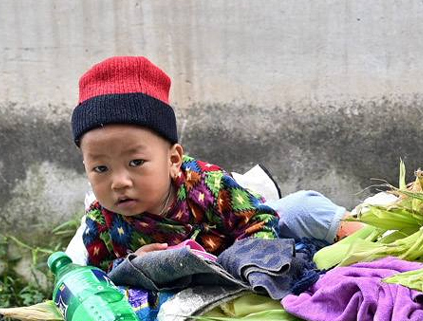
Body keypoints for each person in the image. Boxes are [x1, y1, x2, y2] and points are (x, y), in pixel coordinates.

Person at [71, 56, 348, 271]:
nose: (119, 181)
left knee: (302, 208)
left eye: (136, 162)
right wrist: (131, 265)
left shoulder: (207, 186)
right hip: (187, 292)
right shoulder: (101, 223)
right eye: (101, 168)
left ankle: (376, 238)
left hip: (241, 260)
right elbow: (100, 274)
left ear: (173, 159)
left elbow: (260, 222)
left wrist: (243, 264)